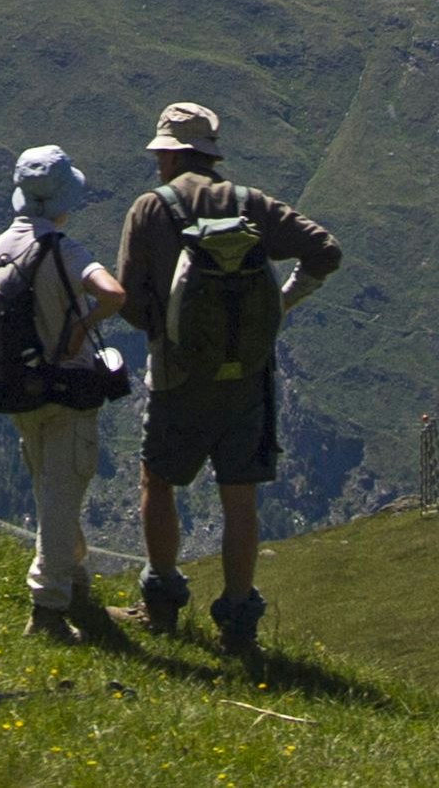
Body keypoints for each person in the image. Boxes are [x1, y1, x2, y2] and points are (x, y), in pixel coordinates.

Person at [115, 101, 340, 656]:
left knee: (157, 481)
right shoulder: (250, 204)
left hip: (176, 376)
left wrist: (168, 330)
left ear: (171, 156)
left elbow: (129, 299)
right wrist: (280, 305)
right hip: (247, 376)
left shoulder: (150, 209)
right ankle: (239, 623)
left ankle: (161, 603)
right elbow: (325, 251)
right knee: (239, 496)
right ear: (209, 155)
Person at [0, 144, 124, 638]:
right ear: (63, 199)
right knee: (62, 497)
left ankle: (74, 583)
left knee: (51, 493)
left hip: (21, 390)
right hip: (67, 390)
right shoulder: (64, 250)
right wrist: (81, 328)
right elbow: (113, 294)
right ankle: (48, 609)